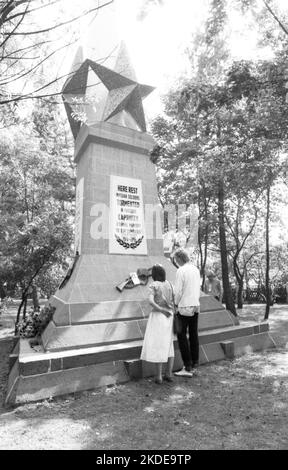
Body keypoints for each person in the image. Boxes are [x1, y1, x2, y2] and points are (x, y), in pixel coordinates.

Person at [140, 264, 174, 384]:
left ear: (154, 275)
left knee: (159, 344)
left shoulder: (154, 285)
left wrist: (160, 310)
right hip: (170, 316)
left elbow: (150, 301)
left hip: (159, 316)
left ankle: (159, 376)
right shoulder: (169, 284)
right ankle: (169, 373)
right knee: (169, 344)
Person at [173, 248, 201, 378]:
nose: (175, 262)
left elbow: (178, 291)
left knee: (181, 335)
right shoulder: (195, 269)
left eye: (175, 260)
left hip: (184, 306)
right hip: (195, 305)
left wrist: (176, 303)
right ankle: (195, 362)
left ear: (179, 259)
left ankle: (187, 365)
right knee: (194, 334)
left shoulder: (181, 270)